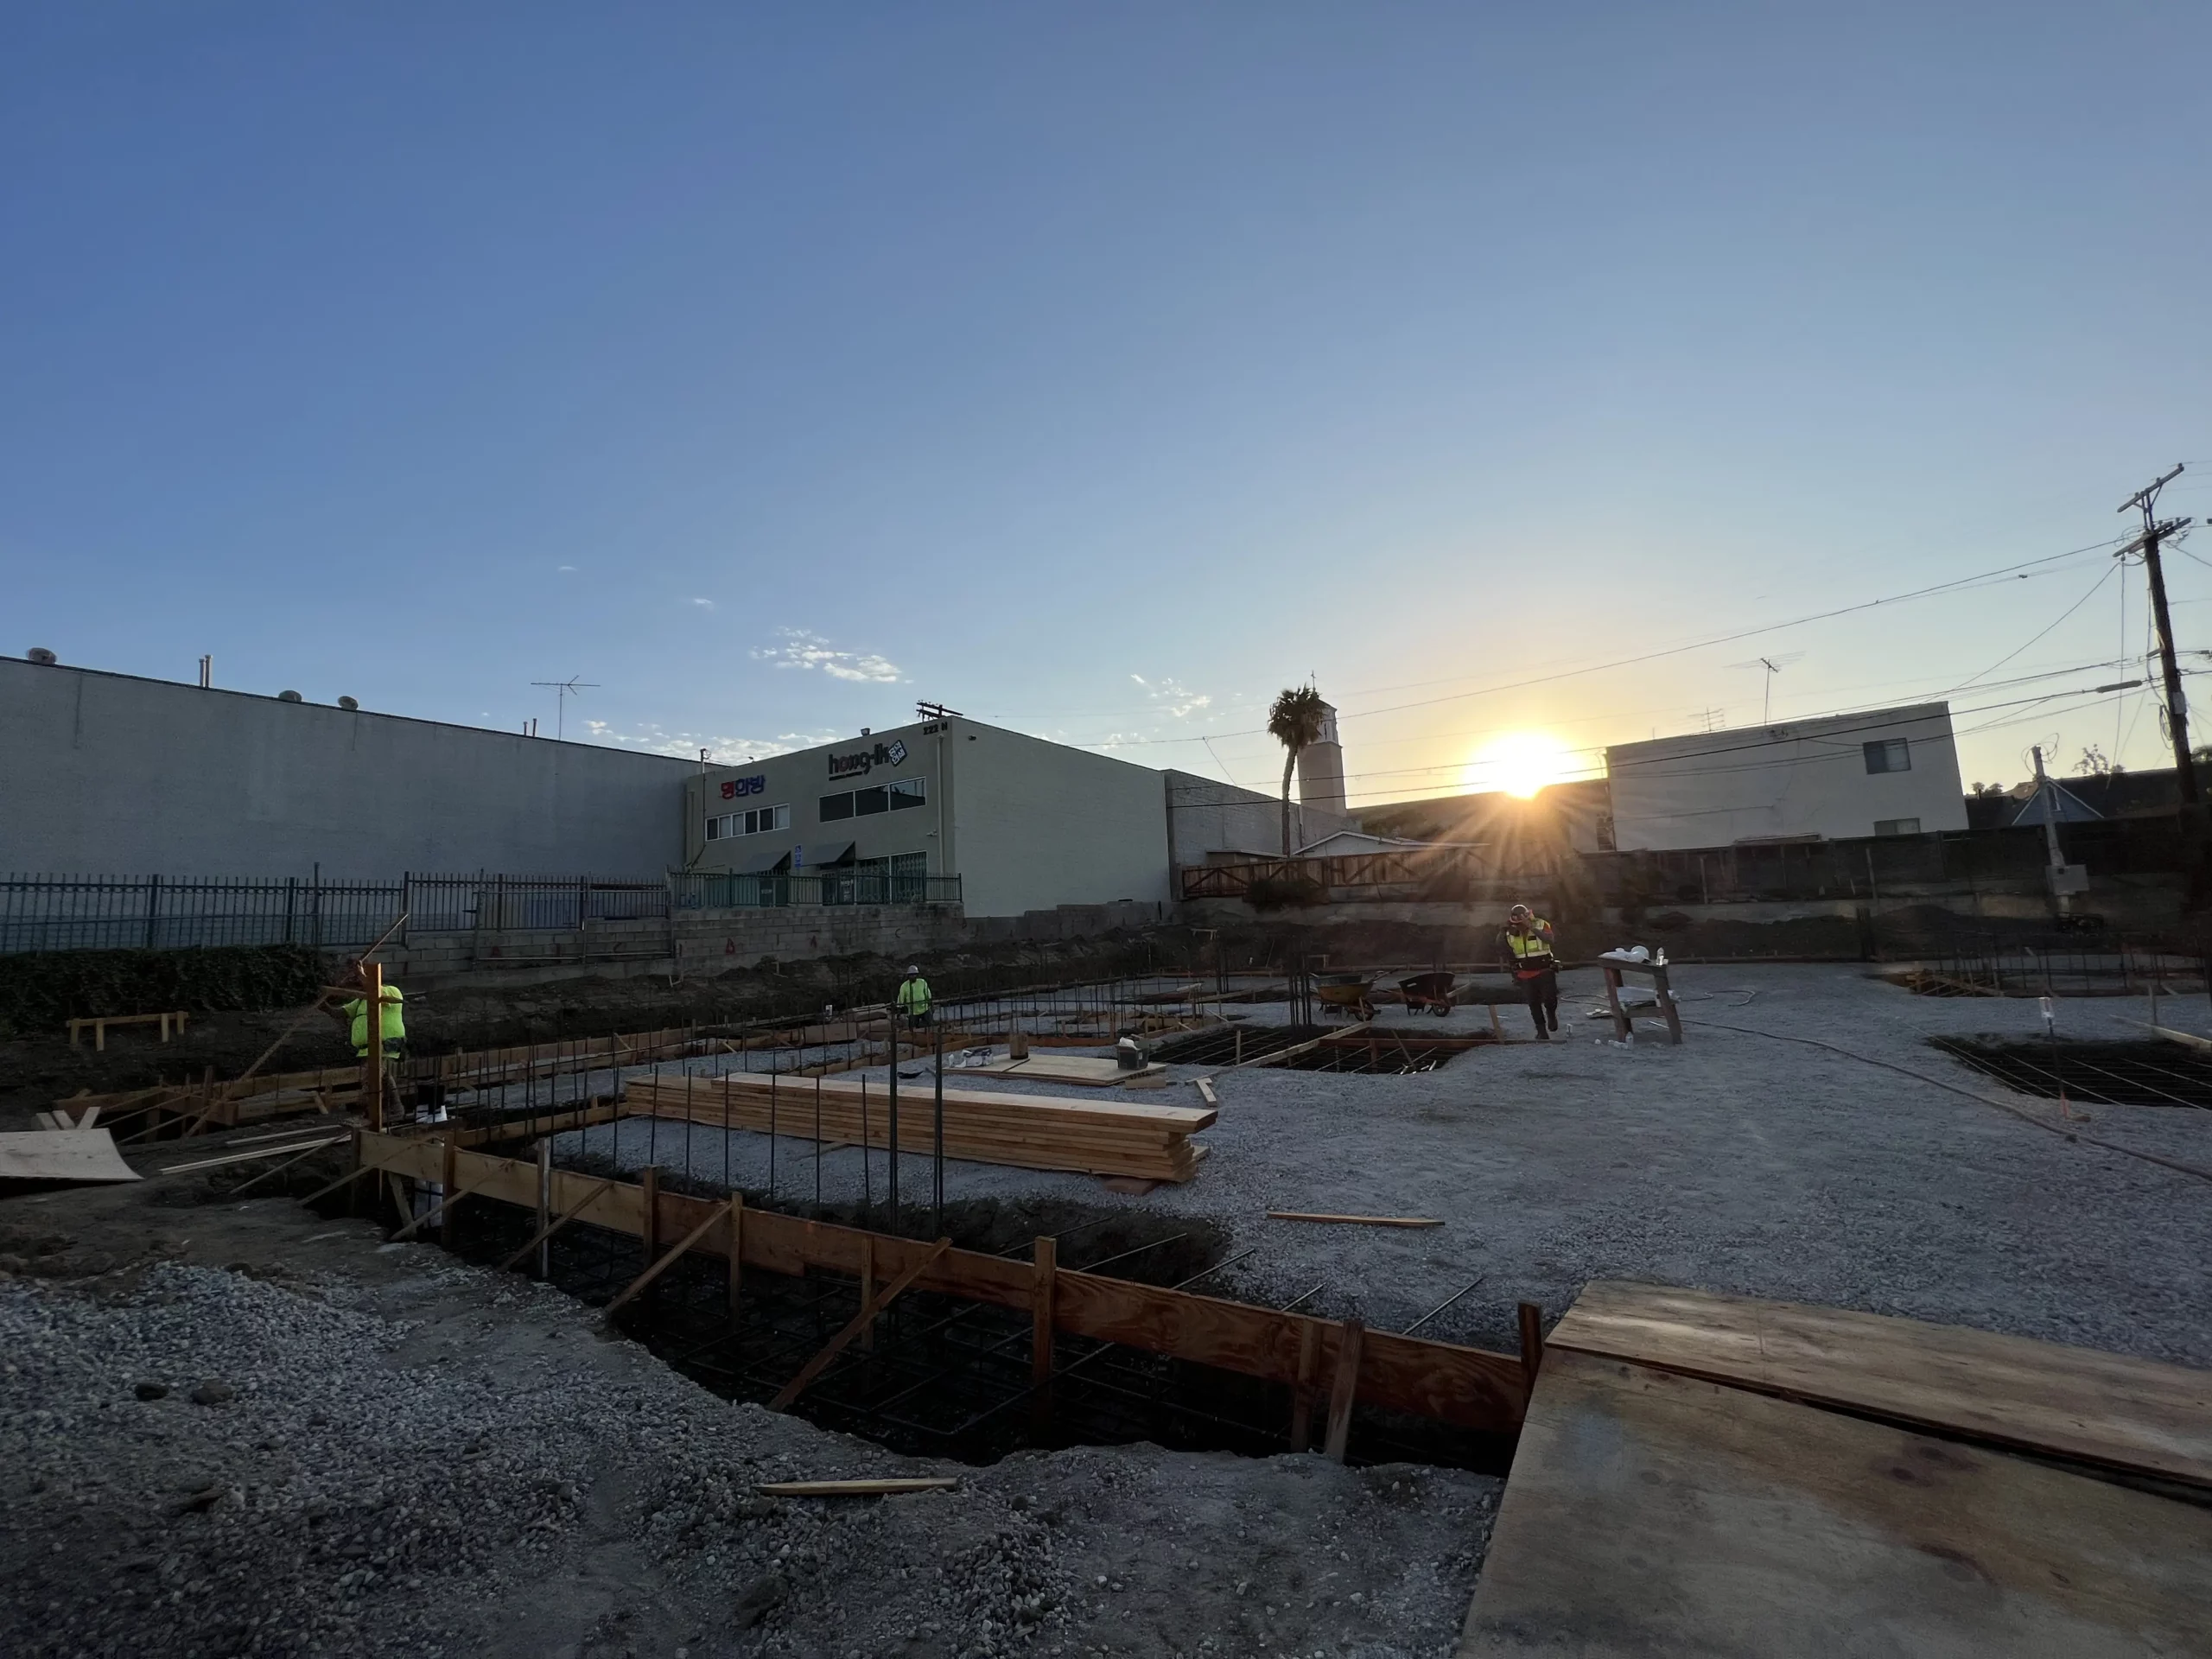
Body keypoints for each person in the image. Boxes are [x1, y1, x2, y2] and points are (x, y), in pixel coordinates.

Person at [1501, 904, 1560, 1039]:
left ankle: (1551, 1014)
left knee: (1550, 998)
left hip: (1544, 968)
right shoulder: (1509, 932)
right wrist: (1514, 971)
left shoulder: (1541, 924)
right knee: (1533, 1003)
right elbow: (1506, 951)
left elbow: (1550, 940)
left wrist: (1531, 927)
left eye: (1521, 923)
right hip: (1525, 972)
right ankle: (1541, 1031)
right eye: (1516, 923)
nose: (1519, 926)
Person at [895, 963, 933, 1029]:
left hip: (924, 1008)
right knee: (912, 1029)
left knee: (930, 1024)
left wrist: (931, 1003)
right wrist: (899, 1009)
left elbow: (927, 993)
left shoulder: (922, 982)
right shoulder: (904, 986)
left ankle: (923, 1031)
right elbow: (901, 998)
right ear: (908, 976)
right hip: (913, 1011)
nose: (913, 976)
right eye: (911, 975)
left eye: (915, 974)